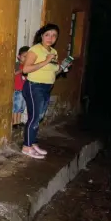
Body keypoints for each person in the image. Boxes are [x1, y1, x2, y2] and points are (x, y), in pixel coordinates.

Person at [21, 24, 71, 159]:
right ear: (42, 35)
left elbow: (54, 71)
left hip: (47, 87)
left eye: (54, 35)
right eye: (47, 34)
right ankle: (27, 146)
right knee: (34, 117)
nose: (51, 38)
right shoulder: (35, 49)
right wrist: (45, 61)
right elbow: (25, 69)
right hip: (34, 86)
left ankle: (33, 142)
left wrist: (63, 67)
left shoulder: (53, 52)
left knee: (39, 116)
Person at [12, 46, 29, 128]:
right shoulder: (17, 65)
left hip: (25, 90)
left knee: (21, 107)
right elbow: (13, 74)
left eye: (28, 57)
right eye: (24, 56)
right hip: (17, 89)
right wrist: (21, 70)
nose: (26, 59)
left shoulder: (29, 66)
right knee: (16, 106)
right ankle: (14, 122)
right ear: (18, 56)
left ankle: (18, 121)